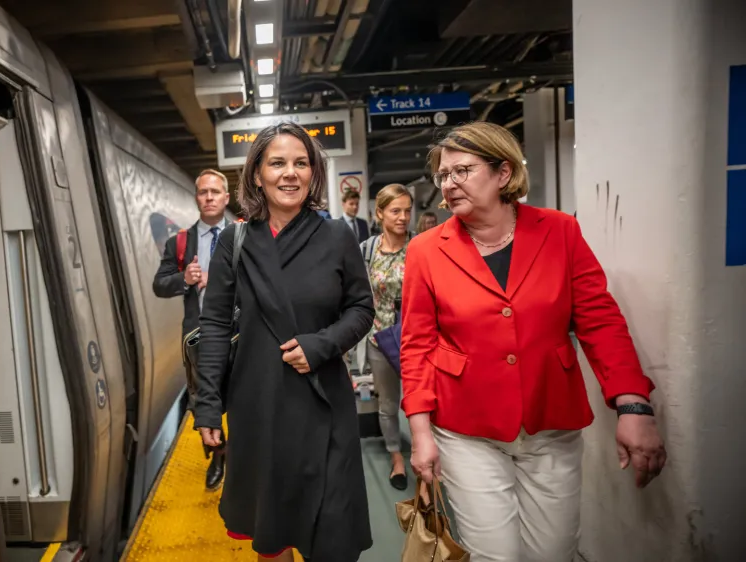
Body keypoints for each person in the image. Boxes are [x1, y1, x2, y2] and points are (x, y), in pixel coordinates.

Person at [400, 122, 667, 562]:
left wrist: (633, 404)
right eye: (443, 175)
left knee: (554, 551)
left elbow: (600, 320)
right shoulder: (427, 250)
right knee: (495, 555)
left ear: (503, 173)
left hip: (551, 419)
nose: (449, 184)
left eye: (462, 170)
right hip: (468, 427)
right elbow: (417, 345)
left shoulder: (560, 232)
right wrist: (420, 431)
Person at [194, 122, 375, 562]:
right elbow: (215, 324)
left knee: (332, 533)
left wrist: (322, 344)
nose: (290, 173)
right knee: (272, 535)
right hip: (260, 404)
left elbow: (361, 309)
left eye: (301, 163)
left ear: (313, 173)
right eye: (277, 163)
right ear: (256, 174)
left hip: (325, 402)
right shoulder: (235, 242)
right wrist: (207, 404)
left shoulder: (337, 236)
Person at [152, 169, 232, 490]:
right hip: (199, 335)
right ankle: (218, 455)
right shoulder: (180, 243)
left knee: (241, 399)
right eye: (203, 192)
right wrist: (184, 279)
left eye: (216, 192)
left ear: (226, 198)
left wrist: (228, 284)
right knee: (204, 403)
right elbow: (160, 284)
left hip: (239, 331)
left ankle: (241, 461)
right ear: (197, 197)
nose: (210, 197)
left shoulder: (243, 236)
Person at [357, 183, 413, 490]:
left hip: (416, 339)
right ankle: (396, 458)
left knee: (421, 403)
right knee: (388, 404)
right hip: (380, 339)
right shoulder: (366, 250)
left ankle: (423, 455)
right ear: (380, 214)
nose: (403, 217)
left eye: (407, 210)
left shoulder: (420, 246)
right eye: (395, 211)